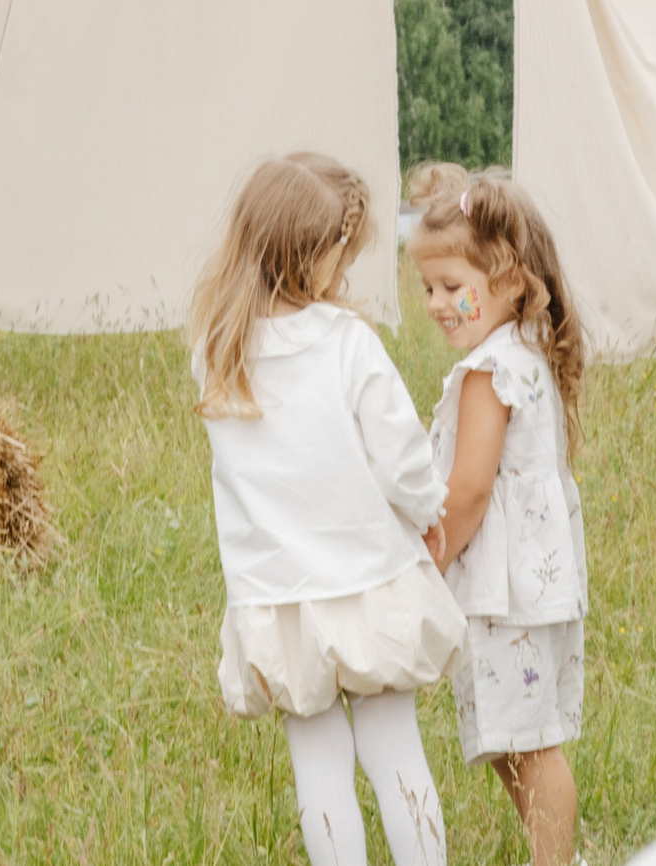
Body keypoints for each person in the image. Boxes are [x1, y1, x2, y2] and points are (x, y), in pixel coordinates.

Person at [191, 154, 463, 866]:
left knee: (317, 766)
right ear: (308, 257)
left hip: (280, 599)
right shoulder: (347, 346)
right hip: (366, 579)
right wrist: (429, 505)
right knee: (395, 750)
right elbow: (401, 458)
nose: (346, 272)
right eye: (341, 255)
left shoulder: (218, 353)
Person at [408, 165, 588, 866]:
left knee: (532, 747)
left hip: (508, 594)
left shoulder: (490, 373)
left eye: (454, 287)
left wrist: (432, 559)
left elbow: (472, 488)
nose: (437, 303)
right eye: (428, 288)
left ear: (510, 280)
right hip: (529, 585)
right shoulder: (520, 354)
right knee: (514, 741)